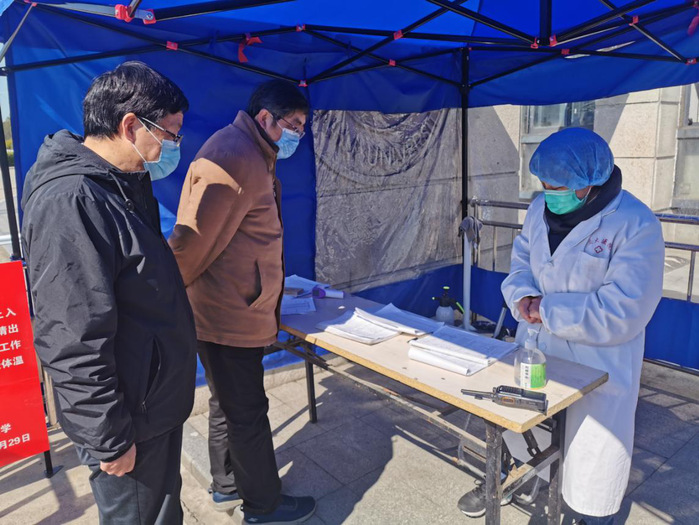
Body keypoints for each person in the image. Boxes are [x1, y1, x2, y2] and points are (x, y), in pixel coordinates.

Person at [458, 127, 664, 524]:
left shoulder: (635, 224)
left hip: (596, 362)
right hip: (537, 349)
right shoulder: (539, 209)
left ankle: (592, 517)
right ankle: (505, 479)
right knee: (522, 432)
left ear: (591, 182)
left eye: (558, 187)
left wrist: (547, 309)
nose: (549, 193)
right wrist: (522, 296)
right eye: (544, 184)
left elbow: (623, 311)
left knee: (591, 460)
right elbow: (521, 263)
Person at [21, 61, 197, 524]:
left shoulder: (123, 182)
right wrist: (110, 440)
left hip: (150, 402)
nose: (175, 146)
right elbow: (71, 335)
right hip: (127, 419)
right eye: (170, 134)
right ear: (130, 125)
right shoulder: (73, 200)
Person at [169, 80, 315, 524]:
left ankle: (227, 484)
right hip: (228, 315)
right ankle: (263, 506)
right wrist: (168, 301)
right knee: (247, 411)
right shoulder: (234, 157)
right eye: (294, 125)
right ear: (265, 118)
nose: (298, 135)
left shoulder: (250, 151)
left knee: (227, 403)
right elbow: (190, 243)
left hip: (230, 308)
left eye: (303, 127)